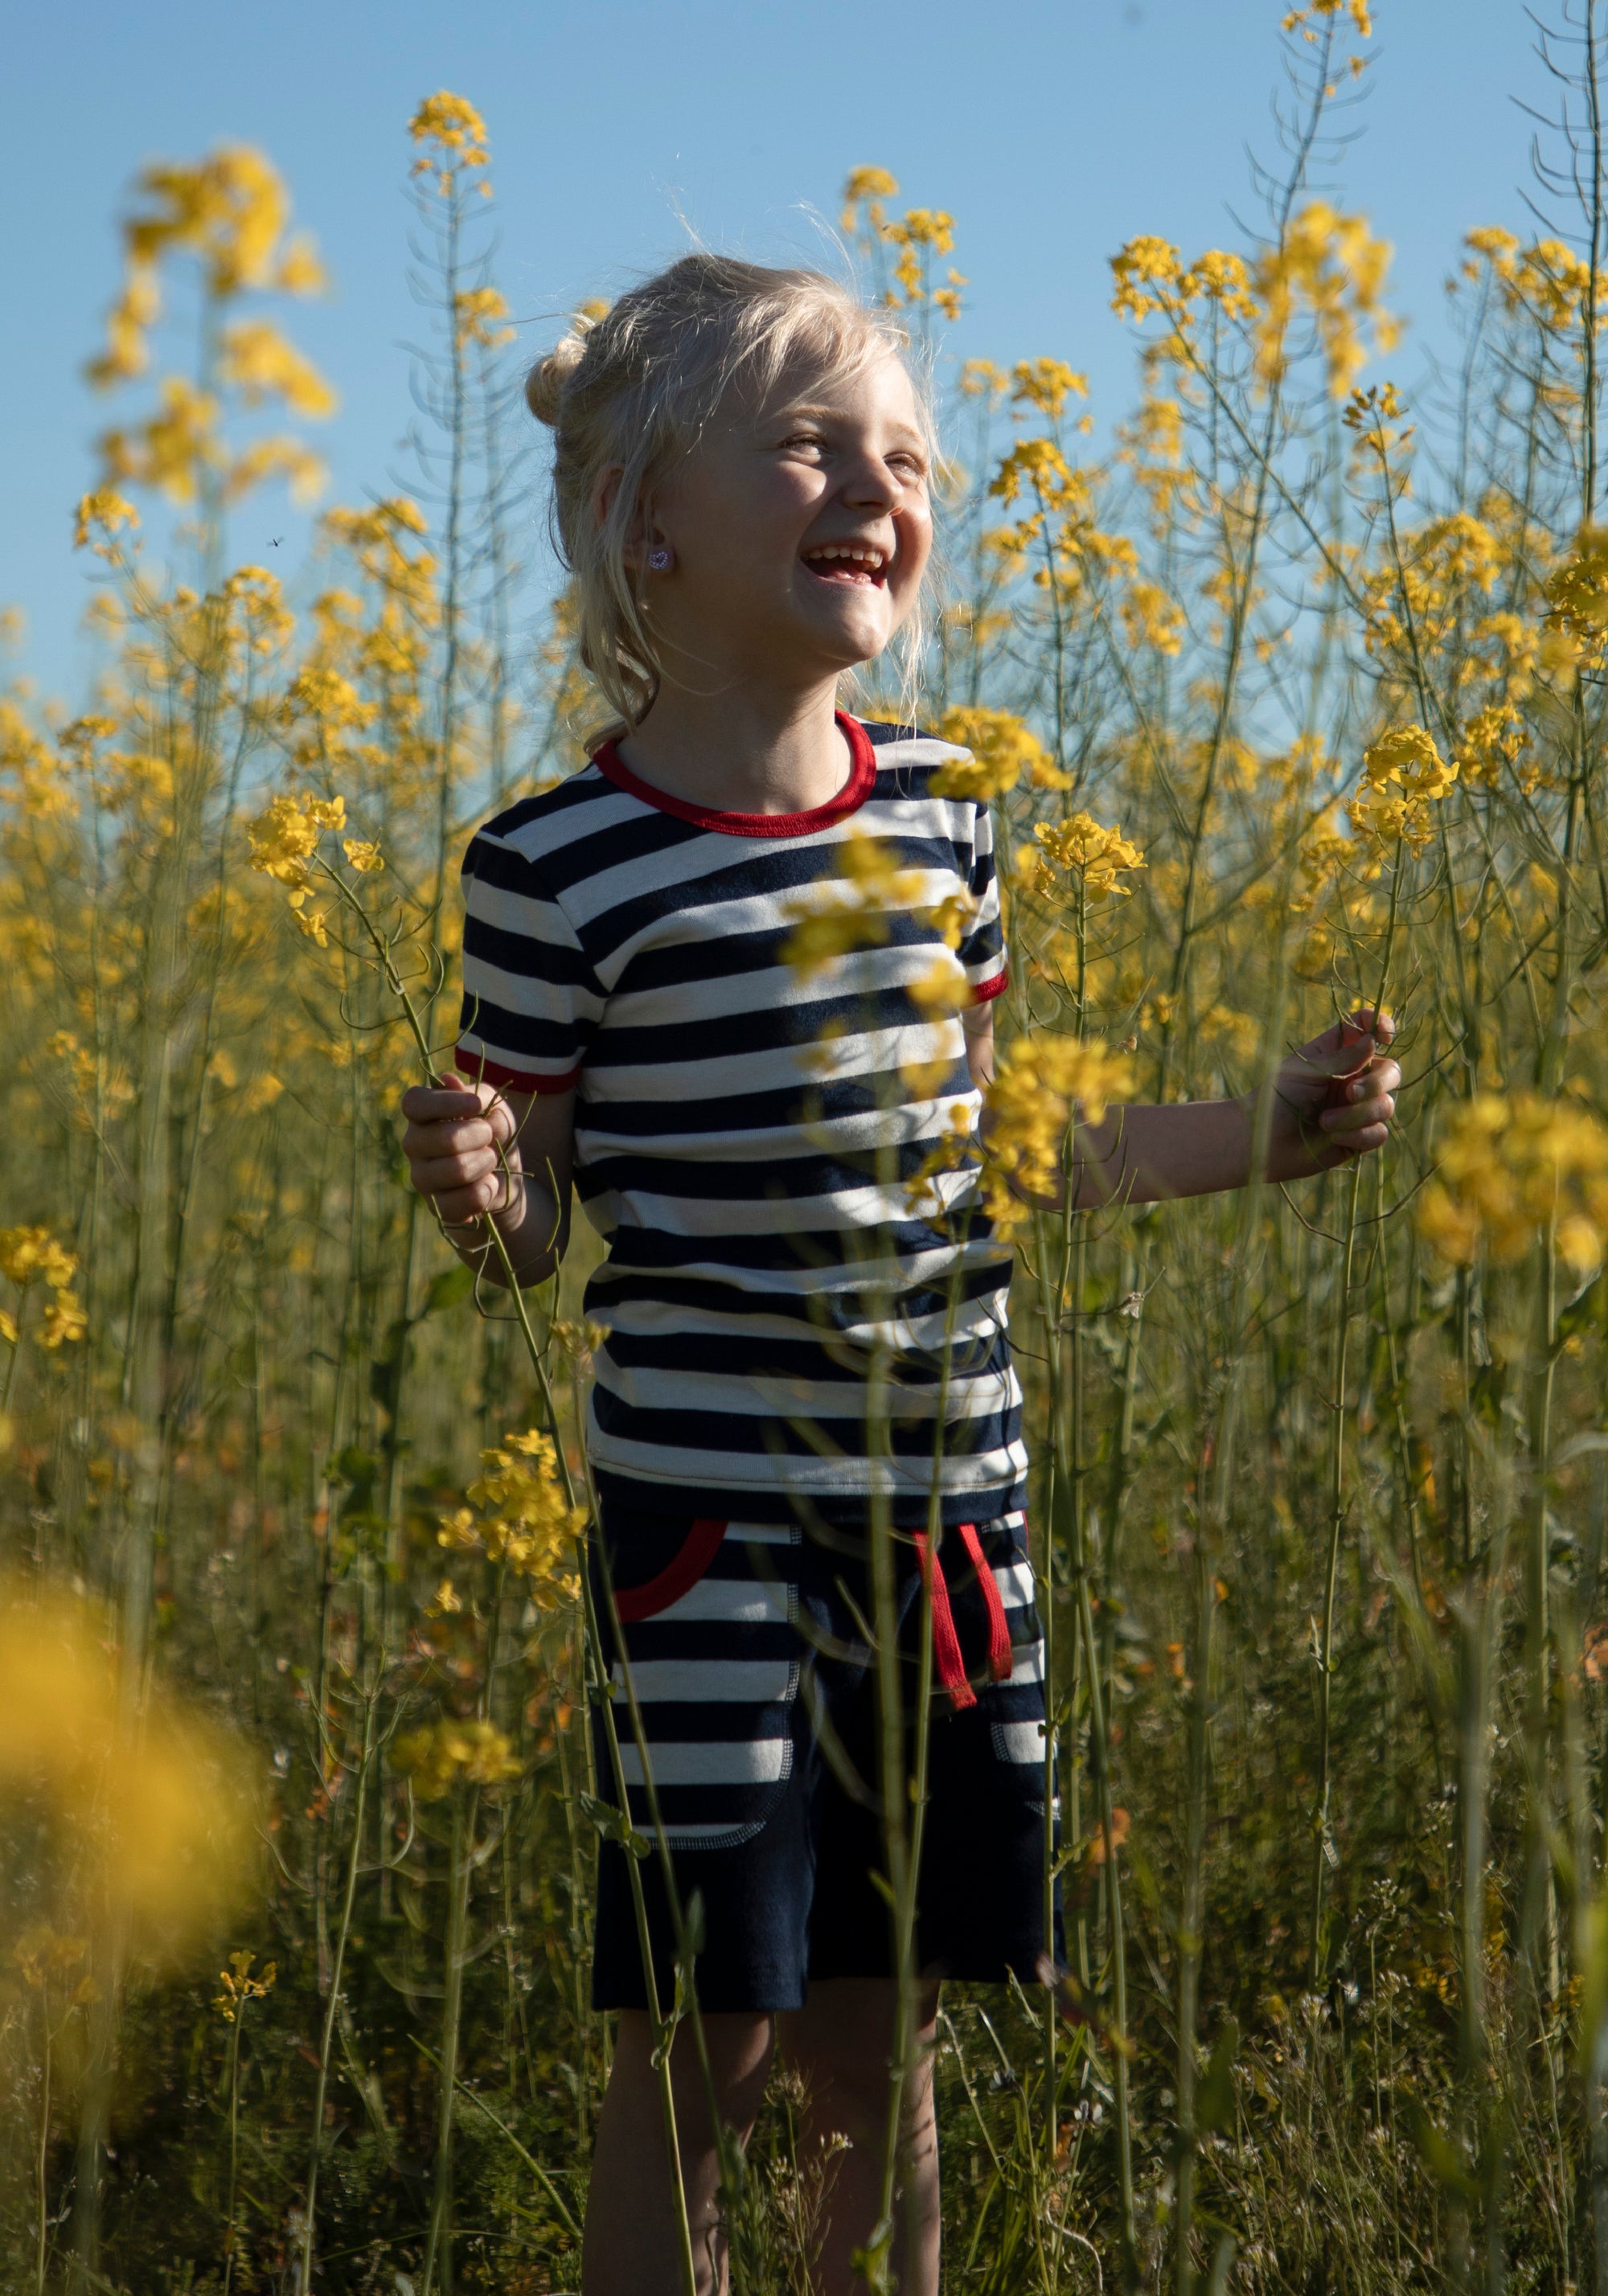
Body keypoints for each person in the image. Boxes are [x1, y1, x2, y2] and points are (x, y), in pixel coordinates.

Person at [400, 256, 1401, 2296]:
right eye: (809, 441)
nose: (878, 483)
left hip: (947, 1506)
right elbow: (536, 1245)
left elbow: (997, 1150)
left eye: (908, 456)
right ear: (643, 524)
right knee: (705, 2037)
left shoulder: (945, 812)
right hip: (706, 1529)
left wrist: (1265, 1135)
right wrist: (486, 1174)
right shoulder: (550, 864)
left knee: (887, 2037)